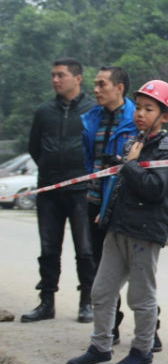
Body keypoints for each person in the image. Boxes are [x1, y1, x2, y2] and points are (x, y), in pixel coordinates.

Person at [66, 80, 168, 364]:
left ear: (165, 116)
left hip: (144, 234)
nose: (140, 114)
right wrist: (106, 212)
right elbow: (120, 185)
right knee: (101, 291)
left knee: (141, 297)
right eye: (139, 107)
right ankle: (100, 347)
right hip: (117, 228)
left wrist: (130, 165)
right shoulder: (134, 144)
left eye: (149, 109)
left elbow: (155, 189)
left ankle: (143, 351)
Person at [25, 57, 95, 323]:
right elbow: (34, 148)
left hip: (81, 190)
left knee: (85, 250)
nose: (55, 80)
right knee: (48, 250)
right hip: (49, 190)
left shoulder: (92, 110)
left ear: (77, 78)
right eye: (53, 75)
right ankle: (46, 302)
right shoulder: (44, 112)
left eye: (61, 75)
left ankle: (86, 302)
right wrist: (50, 170)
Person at [82, 66, 138, 347]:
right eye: (95, 84)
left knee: (136, 269)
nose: (96, 90)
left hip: (122, 206)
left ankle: (150, 332)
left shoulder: (136, 119)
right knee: (102, 269)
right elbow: (88, 159)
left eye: (102, 84)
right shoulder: (92, 118)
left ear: (119, 88)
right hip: (95, 203)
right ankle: (109, 328)